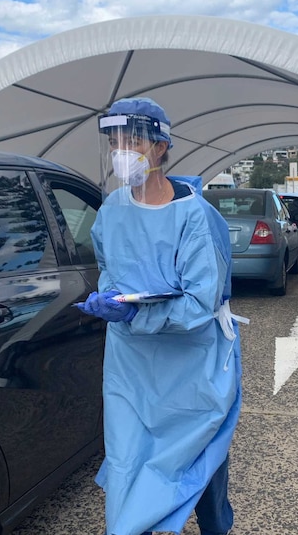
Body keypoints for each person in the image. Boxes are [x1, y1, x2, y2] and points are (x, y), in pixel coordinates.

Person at [76, 97, 243, 535]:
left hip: (191, 366)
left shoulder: (196, 216)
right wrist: (107, 299)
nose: (122, 151)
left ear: (161, 148)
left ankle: (215, 528)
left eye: (133, 140)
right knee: (128, 459)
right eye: (115, 141)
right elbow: (110, 268)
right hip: (131, 368)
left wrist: (133, 316)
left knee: (199, 461)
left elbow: (199, 304)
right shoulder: (112, 209)